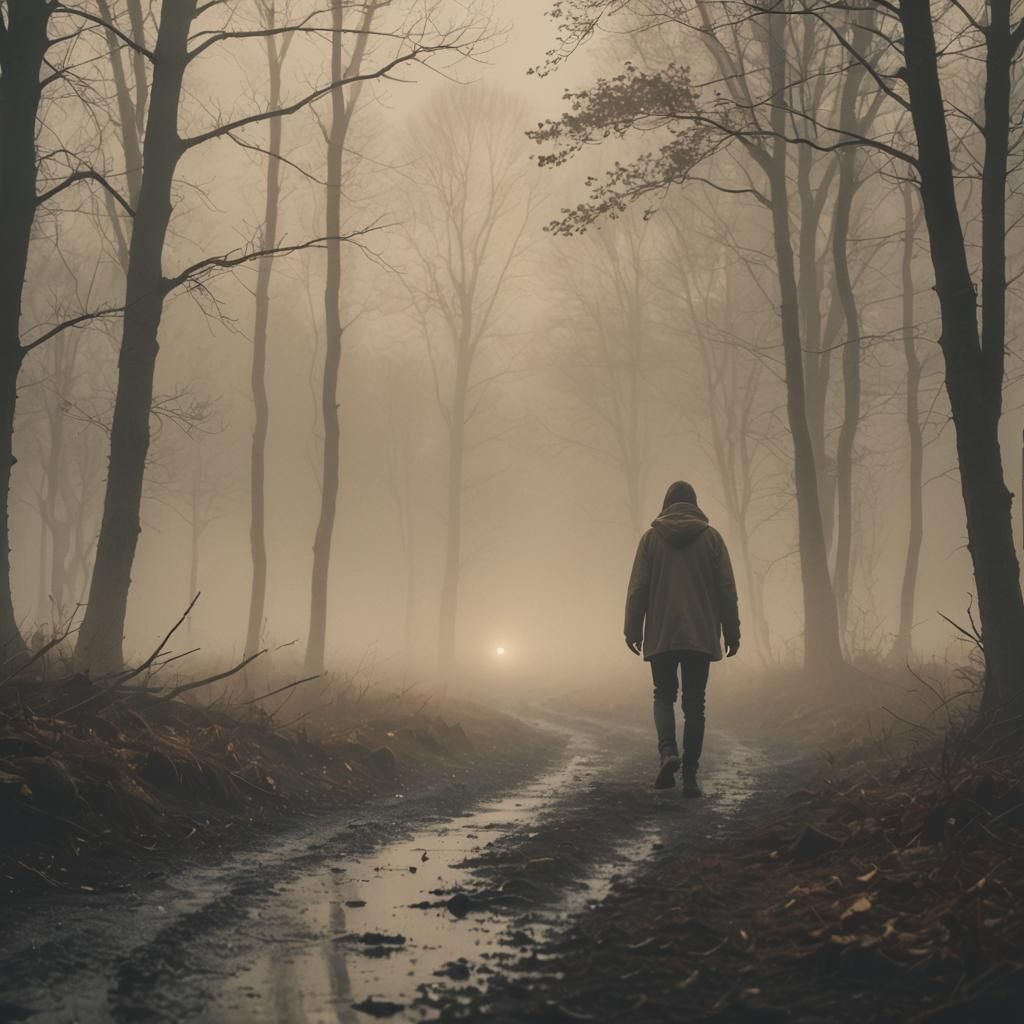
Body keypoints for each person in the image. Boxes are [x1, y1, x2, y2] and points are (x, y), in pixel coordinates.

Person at [624, 481, 740, 796]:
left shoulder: (650, 540)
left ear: (666, 504)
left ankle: (667, 752)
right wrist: (732, 632)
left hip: (661, 631)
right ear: (695, 504)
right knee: (694, 703)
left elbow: (638, 588)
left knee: (663, 695)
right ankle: (689, 776)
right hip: (699, 634)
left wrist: (633, 629)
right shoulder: (712, 539)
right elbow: (726, 590)